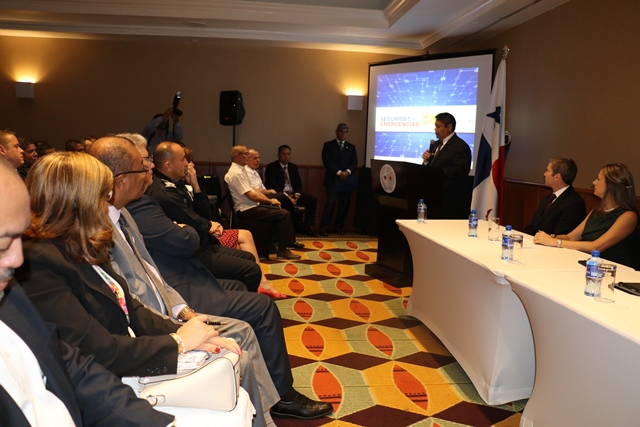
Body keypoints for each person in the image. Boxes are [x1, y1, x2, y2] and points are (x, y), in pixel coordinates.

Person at [91, 136, 330, 420]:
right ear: (120, 180)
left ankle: (271, 404)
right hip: (169, 297)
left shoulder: (127, 212)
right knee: (251, 318)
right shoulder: (121, 215)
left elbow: (157, 268)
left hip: (178, 286)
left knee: (246, 285)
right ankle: (276, 403)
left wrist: (183, 309)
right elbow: (177, 248)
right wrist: (178, 328)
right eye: (143, 164)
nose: (149, 168)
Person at [0, 157, 176, 427]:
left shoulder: (82, 246)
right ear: (78, 202)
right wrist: (178, 342)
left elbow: (74, 366)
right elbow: (97, 350)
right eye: (3, 244)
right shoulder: (40, 261)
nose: (18, 258)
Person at [146, 141, 266, 291]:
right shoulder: (164, 192)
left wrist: (196, 186)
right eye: (183, 159)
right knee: (251, 270)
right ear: (168, 166)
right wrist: (209, 225)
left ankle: (239, 294)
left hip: (202, 242)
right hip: (190, 254)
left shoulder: (177, 183)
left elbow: (204, 214)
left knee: (249, 258)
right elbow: (195, 222)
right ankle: (240, 299)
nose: (187, 163)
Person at [533, 163, 638, 267]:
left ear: (611, 185)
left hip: (612, 269)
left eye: (598, 179)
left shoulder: (628, 216)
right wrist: (551, 237)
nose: (593, 182)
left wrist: (555, 242)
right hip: (588, 264)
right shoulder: (597, 210)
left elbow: (596, 247)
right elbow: (571, 237)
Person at [225, 145, 300, 260]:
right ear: (237, 156)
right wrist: (269, 200)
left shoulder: (241, 170)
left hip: (251, 206)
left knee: (280, 210)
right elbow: (251, 195)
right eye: (245, 154)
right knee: (284, 214)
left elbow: (254, 191)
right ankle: (283, 250)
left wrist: (269, 202)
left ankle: (276, 246)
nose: (247, 156)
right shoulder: (236, 173)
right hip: (246, 210)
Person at [245, 148, 303, 249]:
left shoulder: (254, 171)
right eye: (255, 158)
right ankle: (288, 240)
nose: (258, 160)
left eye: (258, 158)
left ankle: (287, 239)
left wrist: (268, 192)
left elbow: (261, 189)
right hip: (256, 201)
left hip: (263, 197)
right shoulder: (246, 172)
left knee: (285, 208)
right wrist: (269, 192)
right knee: (282, 196)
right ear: (247, 159)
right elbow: (254, 191)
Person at [421, 112, 472, 219]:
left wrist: (438, 172)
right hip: (433, 198)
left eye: (438, 126)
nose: (435, 129)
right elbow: (430, 167)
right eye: (435, 126)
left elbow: (461, 171)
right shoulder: (435, 144)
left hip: (449, 202)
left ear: (449, 127)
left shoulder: (460, 146)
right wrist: (426, 161)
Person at [265, 145, 318, 237]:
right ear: (278, 155)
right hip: (281, 195)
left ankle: (307, 227)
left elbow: (298, 183)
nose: (286, 156)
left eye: (288, 154)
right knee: (286, 201)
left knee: (312, 199)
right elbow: (272, 185)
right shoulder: (272, 167)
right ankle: (289, 229)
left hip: (293, 194)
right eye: (284, 154)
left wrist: (297, 194)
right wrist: (287, 196)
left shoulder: (293, 167)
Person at [524, 157, 587, 236]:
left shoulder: (575, 203)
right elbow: (532, 227)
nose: (545, 174)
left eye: (548, 171)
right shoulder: (547, 199)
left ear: (557, 176)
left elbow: (563, 235)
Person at [319, 123, 358, 236]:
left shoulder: (351, 147)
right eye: (341, 131)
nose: (343, 134)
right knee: (331, 202)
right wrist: (339, 172)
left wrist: (347, 172)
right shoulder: (328, 145)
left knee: (344, 204)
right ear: (336, 132)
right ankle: (324, 228)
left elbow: (354, 163)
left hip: (346, 180)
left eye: (345, 132)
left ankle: (338, 227)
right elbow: (327, 161)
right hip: (332, 179)